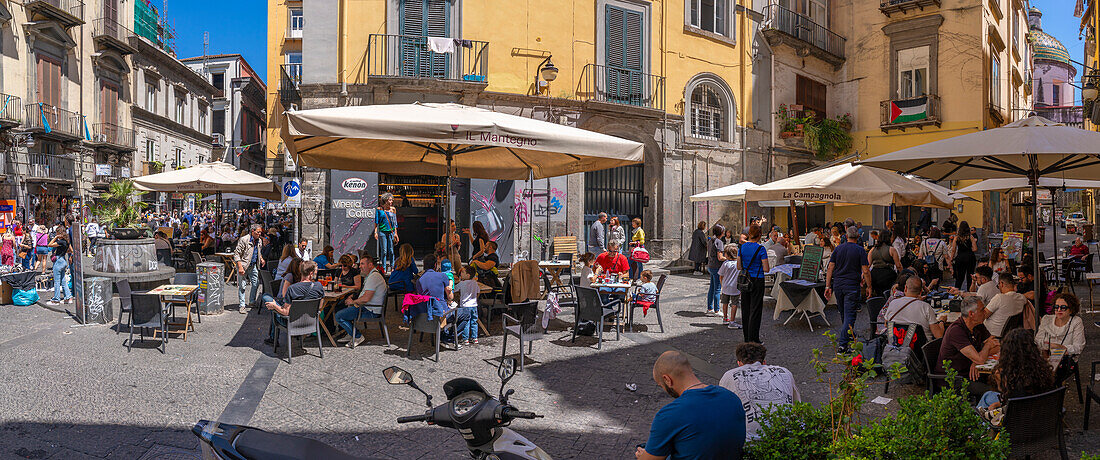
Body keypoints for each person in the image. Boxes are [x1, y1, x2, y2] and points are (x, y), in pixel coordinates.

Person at [637, 351, 746, 460]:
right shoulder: (731, 398)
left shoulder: (669, 414)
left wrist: (642, 456)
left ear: (667, 380)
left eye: (661, 385)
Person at [719, 342, 800, 441]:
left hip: (751, 440)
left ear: (739, 364)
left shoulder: (729, 375)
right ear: (764, 362)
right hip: (788, 435)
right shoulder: (785, 371)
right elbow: (797, 405)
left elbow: (724, 413)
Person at [977, 328, 1055, 413]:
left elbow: (1006, 398)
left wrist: (997, 405)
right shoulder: (1041, 369)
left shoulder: (1004, 375)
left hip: (1015, 417)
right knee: (988, 395)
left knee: (987, 396)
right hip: (1038, 413)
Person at [937, 296, 1000, 394]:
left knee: (1002, 382)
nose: (985, 312)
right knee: (995, 391)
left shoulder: (977, 325)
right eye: (982, 310)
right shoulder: (956, 331)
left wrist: (975, 361)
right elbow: (980, 358)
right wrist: (986, 348)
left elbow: (997, 346)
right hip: (954, 380)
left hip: (972, 373)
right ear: (971, 314)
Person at [825, 226, 872, 353]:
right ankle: (843, 344)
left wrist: (827, 286)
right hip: (852, 285)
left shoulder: (838, 249)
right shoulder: (860, 250)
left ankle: (849, 336)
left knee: (844, 313)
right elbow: (866, 270)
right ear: (858, 237)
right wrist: (869, 286)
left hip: (838, 285)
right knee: (850, 315)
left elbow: (830, 267)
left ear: (846, 235)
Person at [263, 260, 325, 344]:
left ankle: (273, 338)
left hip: (292, 323)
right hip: (311, 322)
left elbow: (285, 312)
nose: (316, 274)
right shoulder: (319, 286)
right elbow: (320, 306)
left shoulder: (292, 288)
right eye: (316, 272)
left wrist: (274, 306)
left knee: (267, 298)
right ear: (311, 273)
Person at [334, 255, 388, 347]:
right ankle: (351, 333)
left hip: (370, 311)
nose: (359, 266)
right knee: (342, 307)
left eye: (362, 264)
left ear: (370, 265)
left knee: (339, 316)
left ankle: (357, 336)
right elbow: (363, 294)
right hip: (368, 307)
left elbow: (366, 298)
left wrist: (353, 302)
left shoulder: (374, 277)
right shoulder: (372, 275)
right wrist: (352, 297)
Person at [880, 276, 945, 339]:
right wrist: (942, 321)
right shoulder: (926, 307)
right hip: (920, 347)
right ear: (920, 292)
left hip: (896, 345)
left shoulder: (893, 303)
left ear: (905, 288)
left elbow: (886, 324)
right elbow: (939, 335)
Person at [740, 225, 770, 344]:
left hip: (745, 279)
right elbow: (766, 268)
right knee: (755, 310)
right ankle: (754, 339)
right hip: (757, 280)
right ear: (759, 235)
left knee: (745, 309)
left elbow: (738, 266)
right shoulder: (761, 249)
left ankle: (747, 337)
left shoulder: (742, 247)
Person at [982, 273, 1034, 338]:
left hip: (991, 333)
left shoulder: (999, 298)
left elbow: (983, 316)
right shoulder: (1022, 298)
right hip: (1008, 333)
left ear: (1001, 284)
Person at [234, 224, 266, 314]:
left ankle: (252, 301)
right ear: (253, 231)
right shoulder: (244, 239)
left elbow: (257, 252)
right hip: (243, 266)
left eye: (260, 232)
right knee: (242, 286)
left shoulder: (259, 241)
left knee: (256, 283)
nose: (260, 234)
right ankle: (242, 305)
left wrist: (261, 259)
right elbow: (236, 254)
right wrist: (240, 267)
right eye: (258, 232)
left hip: (253, 265)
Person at [868, 229, 903, 303]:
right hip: (888, 275)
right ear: (889, 238)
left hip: (874, 275)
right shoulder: (891, 249)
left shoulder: (872, 250)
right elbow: (898, 265)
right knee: (887, 296)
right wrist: (902, 274)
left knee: (878, 296)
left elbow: (868, 265)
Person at [453, 266, 481, 346]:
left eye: (462, 272)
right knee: (474, 321)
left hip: (465, 306)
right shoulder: (475, 283)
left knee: (466, 322)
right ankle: (475, 338)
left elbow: (454, 290)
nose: (460, 273)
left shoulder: (462, 283)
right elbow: (478, 292)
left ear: (468, 275)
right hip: (474, 305)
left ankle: (466, 339)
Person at [717, 245, 741, 329]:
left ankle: (725, 318)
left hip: (726, 286)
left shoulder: (725, 264)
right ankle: (732, 320)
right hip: (735, 287)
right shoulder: (738, 264)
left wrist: (722, 284)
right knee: (734, 304)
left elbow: (721, 275)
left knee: (725, 303)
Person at [374, 192, 399, 271]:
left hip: (391, 232)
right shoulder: (379, 210)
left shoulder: (393, 210)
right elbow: (376, 221)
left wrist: (396, 233)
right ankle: (383, 268)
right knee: (384, 251)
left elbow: (395, 223)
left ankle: (392, 266)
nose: (391, 202)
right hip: (382, 232)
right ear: (385, 200)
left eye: (392, 200)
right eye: (390, 200)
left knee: (391, 250)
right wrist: (375, 232)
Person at [949, 221, 978, 291]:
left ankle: (956, 292)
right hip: (970, 257)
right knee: (970, 276)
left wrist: (951, 259)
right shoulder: (970, 237)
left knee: (959, 277)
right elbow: (975, 249)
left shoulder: (956, 237)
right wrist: (969, 248)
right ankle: (969, 292)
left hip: (960, 258)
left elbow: (953, 250)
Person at [706, 224, 726, 315]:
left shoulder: (710, 240)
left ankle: (710, 308)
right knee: (717, 289)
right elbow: (720, 257)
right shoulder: (719, 242)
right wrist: (730, 258)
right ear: (721, 232)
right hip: (717, 267)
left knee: (712, 288)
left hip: (710, 265)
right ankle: (717, 310)